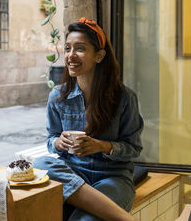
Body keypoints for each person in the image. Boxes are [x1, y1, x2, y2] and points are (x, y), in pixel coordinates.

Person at [33, 17, 144, 221]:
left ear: (99, 56)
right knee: (41, 163)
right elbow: (51, 140)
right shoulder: (58, 96)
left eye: (80, 48)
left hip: (113, 176)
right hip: (74, 172)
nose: (71, 55)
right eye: (67, 48)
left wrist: (101, 146)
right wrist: (58, 142)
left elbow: (134, 148)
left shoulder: (124, 97)